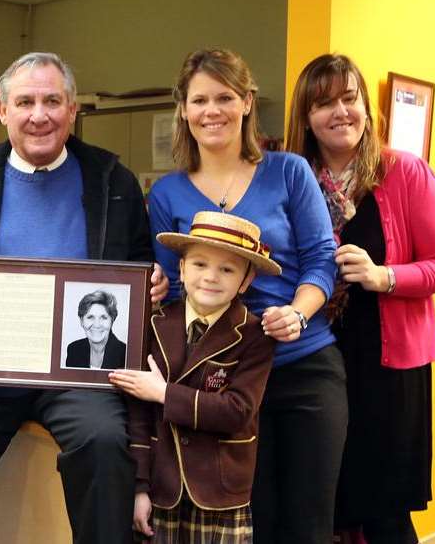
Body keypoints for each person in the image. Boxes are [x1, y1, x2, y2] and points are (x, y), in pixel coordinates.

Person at [0, 51, 168, 544]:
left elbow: (138, 264)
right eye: (25, 101)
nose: (39, 114)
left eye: (53, 100)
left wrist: (151, 282)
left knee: (105, 443)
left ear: (72, 111)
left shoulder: (115, 182)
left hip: (76, 375)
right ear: (1, 109)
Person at [149, 48, 342, 543]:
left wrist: (298, 314)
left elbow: (322, 259)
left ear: (248, 102)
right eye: (199, 100)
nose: (211, 111)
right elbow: (173, 288)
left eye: (224, 97)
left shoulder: (290, 171)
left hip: (302, 367)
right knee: (246, 520)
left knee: (308, 522)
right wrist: (156, 285)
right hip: (220, 379)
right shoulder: (167, 194)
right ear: (184, 109)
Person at [286, 53, 435, 543]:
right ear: (306, 117)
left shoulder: (405, 172)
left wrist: (384, 276)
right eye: (324, 103)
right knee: (324, 505)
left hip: (387, 370)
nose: (340, 112)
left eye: (349, 98)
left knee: (383, 513)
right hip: (314, 359)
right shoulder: (291, 179)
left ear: (366, 105)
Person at [111, 210, 279, 544]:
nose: (211, 277)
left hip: (221, 491)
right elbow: (139, 419)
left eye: (227, 269)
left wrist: (162, 393)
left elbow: (236, 411)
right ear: (181, 269)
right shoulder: (152, 323)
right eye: (200, 264)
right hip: (161, 487)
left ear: (245, 281)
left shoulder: (255, 336)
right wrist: (139, 488)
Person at [65, 290, 126, 369]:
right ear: (81, 321)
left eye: (103, 317)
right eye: (90, 317)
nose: (97, 325)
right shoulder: (74, 349)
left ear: (112, 320)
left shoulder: (125, 354)